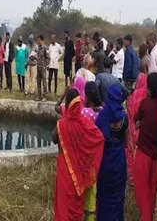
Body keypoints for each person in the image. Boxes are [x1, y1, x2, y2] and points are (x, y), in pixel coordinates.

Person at [52, 89, 104, 221]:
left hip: (64, 169)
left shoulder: (61, 124)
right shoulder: (85, 124)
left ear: (68, 104)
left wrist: (63, 119)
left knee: (63, 204)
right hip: (80, 172)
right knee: (76, 206)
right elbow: (99, 138)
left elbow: (53, 139)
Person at [133, 73, 157, 221]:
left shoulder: (145, 103)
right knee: (151, 193)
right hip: (155, 157)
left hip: (143, 154)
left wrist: (140, 123)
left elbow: (136, 119)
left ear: (151, 89)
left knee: (142, 193)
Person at [95, 83, 128, 221]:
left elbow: (96, 140)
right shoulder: (125, 117)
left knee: (104, 195)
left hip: (105, 161)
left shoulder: (102, 116)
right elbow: (126, 142)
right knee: (117, 196)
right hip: (119, 161)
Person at [81, 81, 104, 220]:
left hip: (86, 155)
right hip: (100, 155)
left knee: (88, 187)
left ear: (87, 97)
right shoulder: (103, 112)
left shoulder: (84, 112)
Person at [125, 72, 148, 185]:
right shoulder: (146, 97)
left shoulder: (132, 96)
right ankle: (141, 176)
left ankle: (131, 177)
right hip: (142, 129)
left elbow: (129, 110)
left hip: (131, 127)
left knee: (130, 151)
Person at [36, 35, 49, 101]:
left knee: (44, 82)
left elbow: (48, 58)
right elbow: (37, 57)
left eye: (39, 40)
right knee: (38, 82)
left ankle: (45, 96)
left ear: (42, 40)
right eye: (37, 40)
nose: (38, 41)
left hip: (43, 68)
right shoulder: (38, 48)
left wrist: (46, 65)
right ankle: (39, 96)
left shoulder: (45, 48)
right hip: (38, 67)